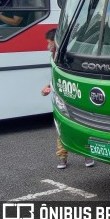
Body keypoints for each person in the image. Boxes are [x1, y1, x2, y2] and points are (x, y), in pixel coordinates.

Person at [41, 28, 95, 169]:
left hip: (76, 96)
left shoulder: (69, 55)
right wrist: (49, 86)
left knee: (83, 126)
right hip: (63, 97)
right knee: (62, 128)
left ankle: (87, 155)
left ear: (55, 41)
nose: (48, 45)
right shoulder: (56, 56)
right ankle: (63, 157)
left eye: (49, 42)